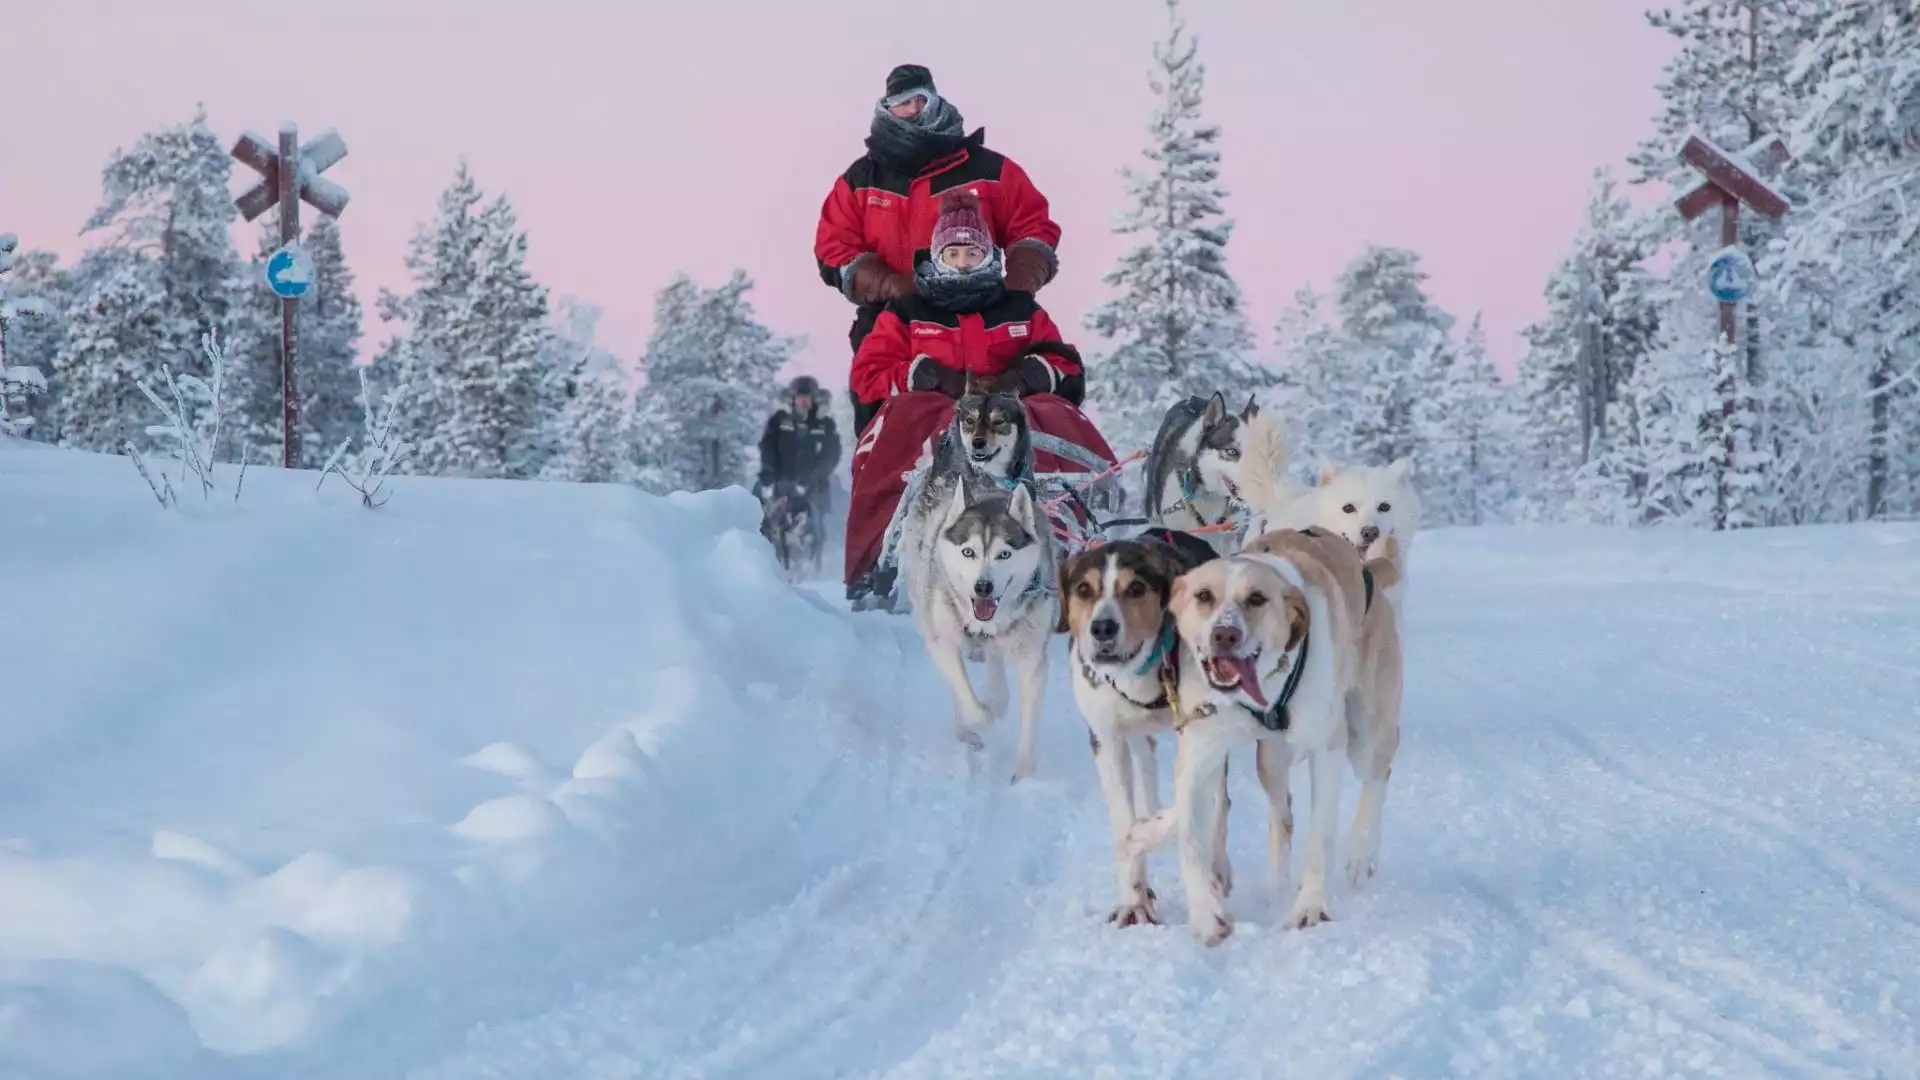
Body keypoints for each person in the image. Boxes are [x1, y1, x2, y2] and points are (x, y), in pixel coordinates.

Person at [843, 191, 1114, 608]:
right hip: (937, 407)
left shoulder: (1018, 307)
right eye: (954, 253)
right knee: (908, 418)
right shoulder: (908, 310)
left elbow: (1063, 363)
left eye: (973, 251)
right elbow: (869, 373)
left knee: (1050, 413)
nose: (964, 261)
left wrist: (1027, 375)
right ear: (938, 256)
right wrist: (921, 374)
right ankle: (875, 560)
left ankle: (1081, 528)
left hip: (1008, 408)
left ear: (989, 255)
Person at [814, 64, 1063, 436]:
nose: (912, 111)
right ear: (885, 110)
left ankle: (1041, 487)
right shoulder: (861, 180)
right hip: (895, 319)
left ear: (935, 100)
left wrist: (1018, 287)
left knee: (1024, 413)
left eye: (919, 101)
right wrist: (892, 286)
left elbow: (1033, 224)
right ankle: (881, 493)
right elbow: (833, 245)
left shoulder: (991, 170)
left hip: (987, 313)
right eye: (901, 105)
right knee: (881, 431)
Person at [756, 376, 842, 553]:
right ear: (793, 399)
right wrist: (769, 471)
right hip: (780, 480)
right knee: (757, 503)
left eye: (807, 398)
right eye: (800, 398)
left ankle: (822, 551)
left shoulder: (825, 424)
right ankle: (757, 545)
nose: (804, 402)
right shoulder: (779, 421)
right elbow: (767, 447)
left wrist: (815, 477)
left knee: (819, 515)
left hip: (814, 483)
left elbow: (831, 454)